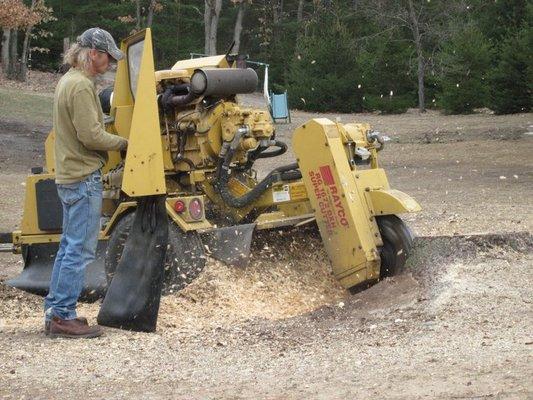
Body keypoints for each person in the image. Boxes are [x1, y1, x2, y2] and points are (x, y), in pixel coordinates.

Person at [44, 28, 128, 338]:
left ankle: (55, 313)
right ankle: (63, 316)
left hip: (70, 176)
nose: (109, 62)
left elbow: (87, 128)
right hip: (82, 178)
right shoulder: (80, 86)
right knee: (79, 250)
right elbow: (91, 136)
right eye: (107, 56)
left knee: (69, 247)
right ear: (92, 53)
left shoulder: (69, 80)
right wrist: (126, 143)